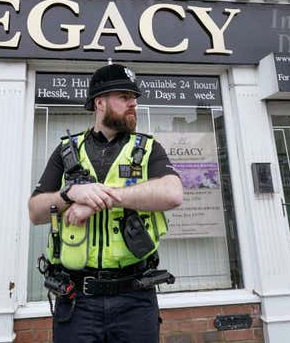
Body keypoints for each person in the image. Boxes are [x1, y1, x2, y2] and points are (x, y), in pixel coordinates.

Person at [28, 63, 183, 343]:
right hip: (76, 300)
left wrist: (100, 199)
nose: (133, 103)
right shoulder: (66, 150)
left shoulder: (148, 148)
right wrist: (69, 194)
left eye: (134, 97)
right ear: (99, 102)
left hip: (135, 297)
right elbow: (36, 211)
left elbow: (173, 193)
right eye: (124, 96)